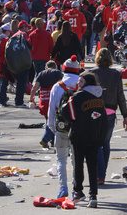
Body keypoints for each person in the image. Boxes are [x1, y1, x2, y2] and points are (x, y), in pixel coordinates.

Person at [63, 71, 107, 208]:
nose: (78, 83)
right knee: (92, 166)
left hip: (79, 135)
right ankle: (93, 195)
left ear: (87, 83)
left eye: (81, 82)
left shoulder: (76, 97)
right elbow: (103, 119)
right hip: (94, 136)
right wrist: (101, 136)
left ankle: (78, 191)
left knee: (78, 164)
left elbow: (66, 114)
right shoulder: (99, 98)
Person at [90, 48, 127, 185]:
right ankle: (102, 175)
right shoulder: (116, 74)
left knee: (96, 144)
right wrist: (125, 115)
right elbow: (120, 95)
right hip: (110, 112)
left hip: (94, 111)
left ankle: (98, 174)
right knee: (105, 143)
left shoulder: (91, 73)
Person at [47, 55, 81, 199]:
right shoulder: (82, 85)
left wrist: (52, 127)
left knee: (61, 159)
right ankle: (76, 187)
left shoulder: (58, 86)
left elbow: (51, 109)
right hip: (78, 128)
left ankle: (63, 188)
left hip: (61, 128)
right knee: (76, 160)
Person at [30, 60, 63, 149]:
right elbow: (62, 85)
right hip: (54, 98)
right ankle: (45, 139)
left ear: (46, 67)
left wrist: (31, 99)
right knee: (54, 120)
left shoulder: (41, 74)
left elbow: (34, 88)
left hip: (44, 99)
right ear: (55, 66)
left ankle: (52, 141)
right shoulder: (58, 73)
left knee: (48, 119)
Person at [0, 23, 11, 107]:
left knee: (1, 81)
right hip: (2, 62)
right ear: (6, 31)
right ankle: (1, 99)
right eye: (9, 31)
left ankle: (3, 98)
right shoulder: (6, 40)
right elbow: (7, 52)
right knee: (4, 82)